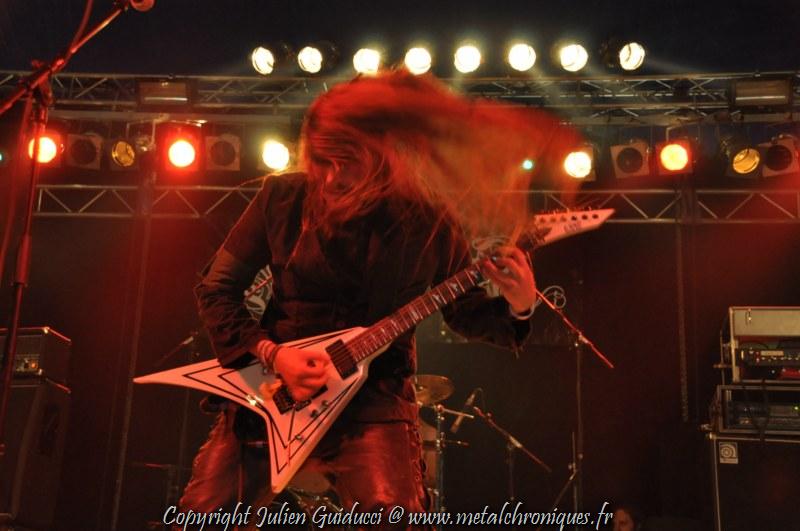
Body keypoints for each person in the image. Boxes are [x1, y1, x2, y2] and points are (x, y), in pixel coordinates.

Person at [178, 69, 578, 525]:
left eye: (346, 162)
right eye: (322, 161)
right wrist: (273, 354)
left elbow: (465, 313)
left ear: (383, 154)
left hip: (374, 398)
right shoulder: (282, 197)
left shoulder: (428, 221)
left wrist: (519, 304)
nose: (331, 177)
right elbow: (216, 287)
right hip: (274, 391)